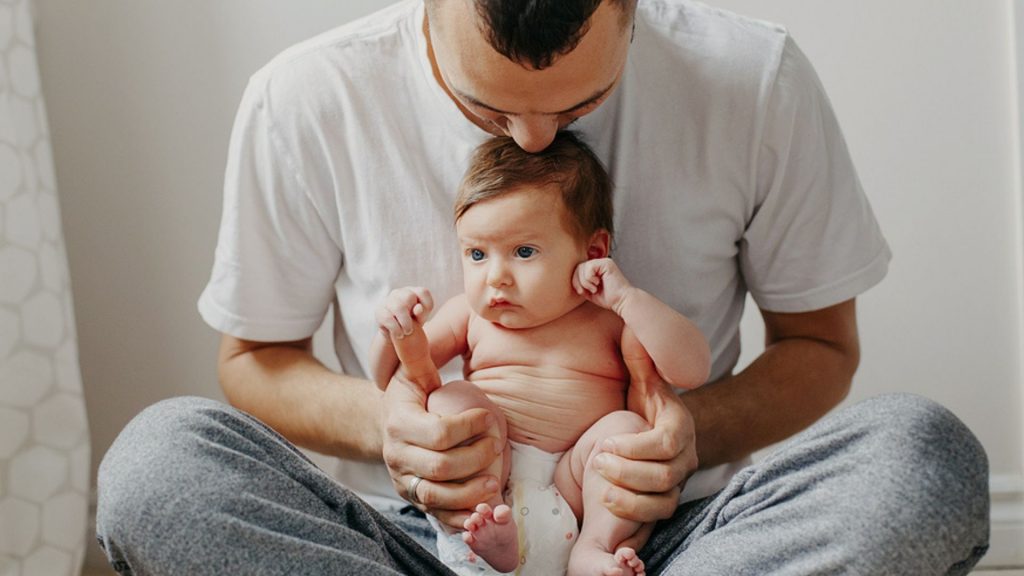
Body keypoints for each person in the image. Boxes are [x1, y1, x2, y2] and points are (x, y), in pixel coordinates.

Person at [95, 1, 990, 574]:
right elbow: (254, 358)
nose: (530, 143)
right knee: (156, 464)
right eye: (486, 110)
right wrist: (395, 433)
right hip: (417, 542)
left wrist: (678, 442)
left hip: (674, 541)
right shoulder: (302, 98)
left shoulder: (756, 79)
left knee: (921, 453)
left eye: (579, 106)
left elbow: (822, 347)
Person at [369, 132, 710, 575]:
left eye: (523, 252)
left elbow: (693, 369)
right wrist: (396, 328)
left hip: (576, 485)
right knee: (451, 400)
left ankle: (594, 548)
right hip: (490, 478)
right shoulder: (470, 317)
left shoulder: (609, 319)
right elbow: (392, 375)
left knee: (625, 430)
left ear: (593, 252)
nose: (496, 277)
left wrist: (629, 300)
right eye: (476, 254)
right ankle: (492, 532)